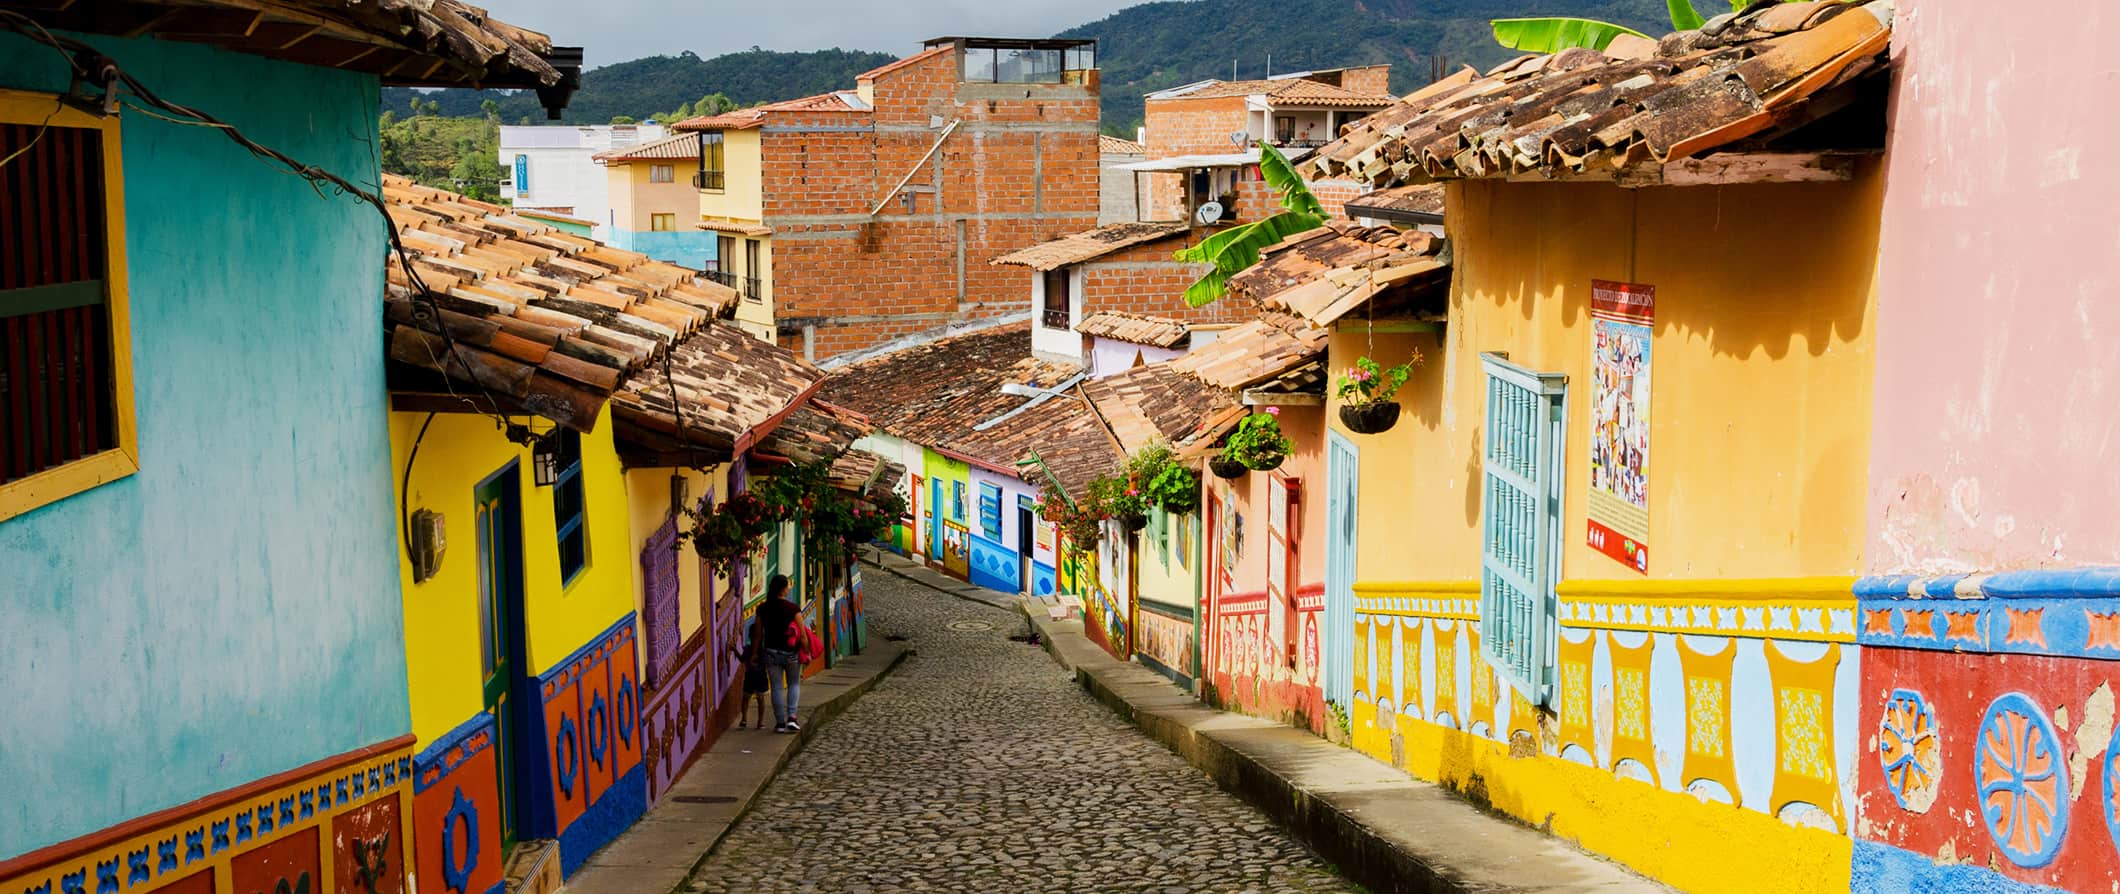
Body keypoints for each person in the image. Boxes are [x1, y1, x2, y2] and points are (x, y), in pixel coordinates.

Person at [756, 573, 805, 733]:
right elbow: (803, 634)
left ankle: (780, 723)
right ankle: (792, 717)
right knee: (794, 684)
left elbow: (758, 635)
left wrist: (754, 654)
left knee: (776, 687)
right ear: (784, 589)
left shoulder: (762, 608)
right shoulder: (793, 609)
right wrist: (808, 651)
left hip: (770, 652)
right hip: (791, 653)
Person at [728, 619, 768, 729]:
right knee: (759, 699)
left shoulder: (749, 649)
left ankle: (745, 719)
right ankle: (759, 722)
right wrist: (735, 650)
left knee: (747, 698)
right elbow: (763, 663)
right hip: (758, 677)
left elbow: (742, 660)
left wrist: (735, 650)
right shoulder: (762, 650)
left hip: (751, 676)